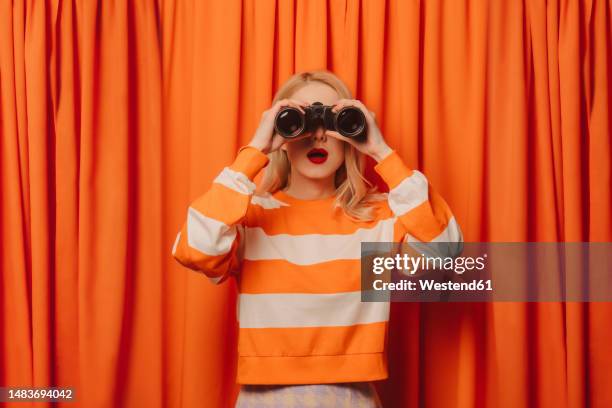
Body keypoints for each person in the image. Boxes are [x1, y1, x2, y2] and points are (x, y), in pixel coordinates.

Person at [172, 70, 463, 407]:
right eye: (303, 121)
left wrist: (382, 152)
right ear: (281, 129)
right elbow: (194, 250)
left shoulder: (381, 218)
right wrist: (255, 151)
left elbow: (446, 254)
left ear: (351, 132)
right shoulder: (250, 215)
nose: (319, 135)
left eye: (333, 121)